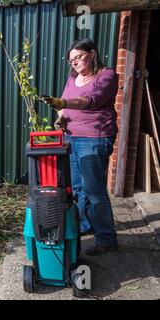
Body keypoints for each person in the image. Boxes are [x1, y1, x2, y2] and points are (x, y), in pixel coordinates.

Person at [41, 39, 119, 255]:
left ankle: (106, 238)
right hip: (71, 137)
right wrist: (61, 116)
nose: (73, 63)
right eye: (70, 60)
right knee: (77, 188)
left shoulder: (107, 75)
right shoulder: (74, 77)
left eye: (78, 57)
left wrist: (64, 104)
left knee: (95, 191)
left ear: (92, 54)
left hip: (94, 138)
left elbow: (90, 100)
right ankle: (86, 225)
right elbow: (63, 102)